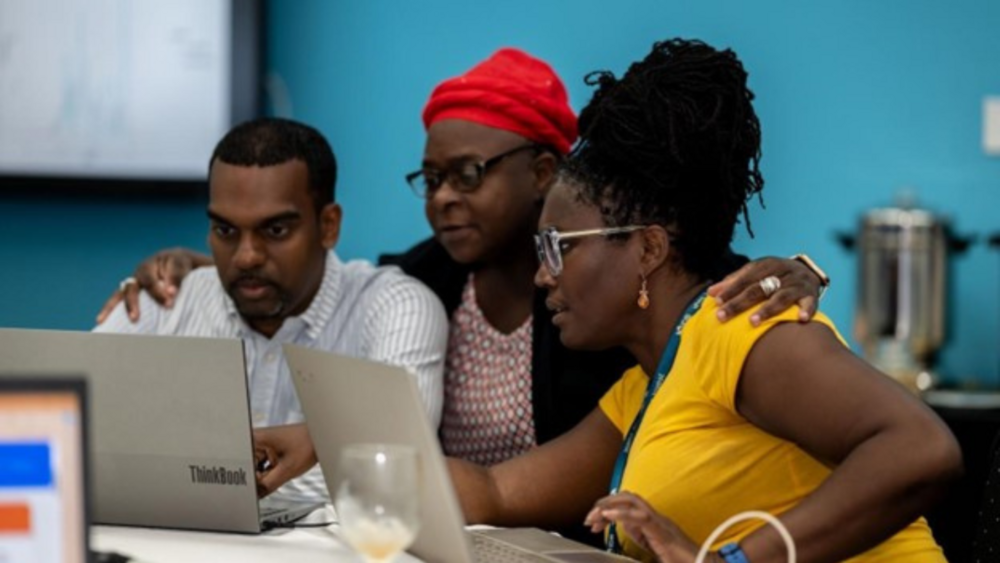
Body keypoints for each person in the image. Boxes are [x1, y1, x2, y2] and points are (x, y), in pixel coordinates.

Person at [97, 49, 828, 466]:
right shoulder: (423, 281)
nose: (443, 197)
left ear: (544, 172)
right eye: (432, 178)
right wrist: (211, 264)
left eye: (469, 174)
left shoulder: (603, 290)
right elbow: (317, 272)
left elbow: (686, 268)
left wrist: (796, 265)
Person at [447, 38, 961, 563]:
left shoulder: (739, 329)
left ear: (648, 248)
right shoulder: (644, 388)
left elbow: (921, 448)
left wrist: (730, 561)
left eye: (558, 247)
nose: (541, 276)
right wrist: (372, 460)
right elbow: (495, 492)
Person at [94, 118, 448, 501]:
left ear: (328, 226)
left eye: (275, 230)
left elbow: (395, 468)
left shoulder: (396, 309)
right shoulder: (163, 302)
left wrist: (185, 480)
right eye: (226, 231)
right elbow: (64, 434)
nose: (246, 257)